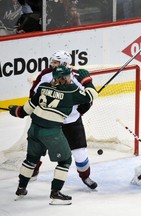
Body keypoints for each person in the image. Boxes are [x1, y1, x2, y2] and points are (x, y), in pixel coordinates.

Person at [9, 65, 98, 204]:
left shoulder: (43, 87)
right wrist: (87, 80)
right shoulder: (71, 90)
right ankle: (55, 193)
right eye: (69, 75)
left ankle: (21, 188)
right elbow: (91, 95)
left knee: (31, 159)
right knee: (65, 161)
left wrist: (15, 110)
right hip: (51, 132)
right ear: (65, 78)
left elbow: (26, 109)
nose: (71, 77)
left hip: (34, 130)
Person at [29, 50, 98, 190]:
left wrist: (80, 110)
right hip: (49, 120)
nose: (52, 64)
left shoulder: (78, 76)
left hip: (71, 122)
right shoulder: (45, 75)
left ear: (65, 63)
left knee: (80, 152)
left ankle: (85, 177)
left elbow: (88, 98)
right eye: (52, 62)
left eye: (55, 62)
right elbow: (34, 93)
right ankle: (32, 170)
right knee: (37, 148)